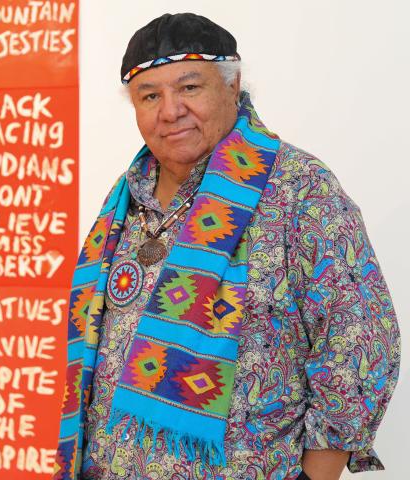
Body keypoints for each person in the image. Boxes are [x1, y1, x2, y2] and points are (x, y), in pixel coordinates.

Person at [53, 13, 400, 480]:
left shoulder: (300, 190)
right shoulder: (123, 202)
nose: (170, 110)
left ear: (233, 88)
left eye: (189, 88)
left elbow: (359, 343)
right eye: (149, 95)